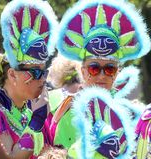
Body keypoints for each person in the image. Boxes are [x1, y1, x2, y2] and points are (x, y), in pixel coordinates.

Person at [53, 0, 151, 158]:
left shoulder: (131, 114)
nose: (102, 75)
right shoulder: (63, 112)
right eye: (94, 68)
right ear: (83, 72)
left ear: (117, 73)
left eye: (109, 69)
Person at [0, 0, 58, 158]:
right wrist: (36, 122)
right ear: (12, 74)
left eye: (44, 73)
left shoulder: (31, 109)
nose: (42, 80)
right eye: (35, 73)